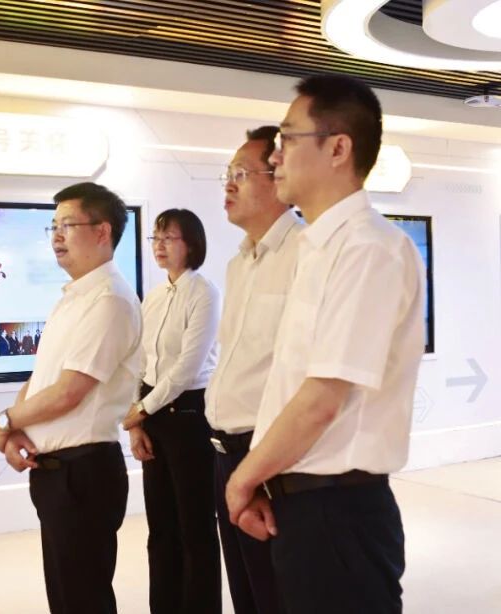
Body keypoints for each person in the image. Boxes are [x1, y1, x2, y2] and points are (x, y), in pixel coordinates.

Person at [225, 74, 425, 614]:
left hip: (338, 511)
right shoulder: (318, 249)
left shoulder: (369, 249)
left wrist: (242, 479)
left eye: (287, 138)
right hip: (302, 504)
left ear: (338, 149)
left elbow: (321, 400)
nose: (275, 156)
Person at [0, 182, 141, 614]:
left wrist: (5, 421)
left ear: (102, 231)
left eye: (67, 225)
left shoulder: (109, 300)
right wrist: (17, 428)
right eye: (52, 227)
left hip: (84, 472)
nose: (56, 236)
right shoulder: (73, 298)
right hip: (56, 470)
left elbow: (70, 392)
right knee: (66, 596)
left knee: (83, 598)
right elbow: (43, 379)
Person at [205, 125, 302, 614]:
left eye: (241, 173)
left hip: (270, 458)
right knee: (246, 594)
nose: (229, 184)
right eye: (228, 172)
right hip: (226, 454)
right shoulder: (238, 264)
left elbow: (299, 378)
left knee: (276, 595)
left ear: (279, 177)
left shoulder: (306, 253)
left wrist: (260, 471)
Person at [122, 208, 222, 614]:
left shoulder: (204, 293)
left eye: (168, 238)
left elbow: (186, 368)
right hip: (153, 413)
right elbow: (140, 361)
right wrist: (137, 421)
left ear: (191, 244)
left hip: (189, 415)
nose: (159, 246)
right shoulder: (155, 296)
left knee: (195, 526)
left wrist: (141, 409)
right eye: (156, 238)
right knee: (161, 526)